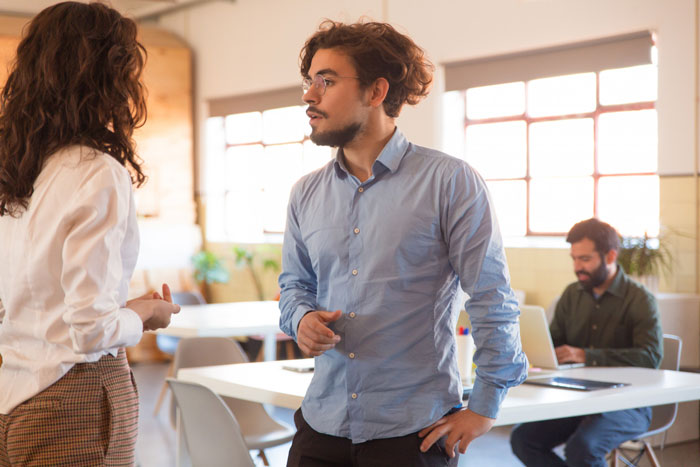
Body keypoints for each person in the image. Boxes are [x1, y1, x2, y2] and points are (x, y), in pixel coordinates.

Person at [278, 20, 528, 466]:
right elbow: (294, 286)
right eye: (309, 81)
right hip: (321, 424)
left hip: (413, 434)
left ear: (376, 92)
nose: (309, 95)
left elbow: (492, 298)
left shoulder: (449, 182)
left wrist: (484, 409)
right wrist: (301, 319)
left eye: (327, 81)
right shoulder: (305, 193)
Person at [0, 3, 180, 465]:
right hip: (76, 401)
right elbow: (91, 329)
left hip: (14, 399)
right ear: (109, 77)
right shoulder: (96, 173)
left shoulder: (17, 170)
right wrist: (144, 313)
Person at [510, 218, 663, 467]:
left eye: (585, 259)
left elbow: (650, 356)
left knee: (583, 448)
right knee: (523, 439)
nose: (577, 267)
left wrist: (586, 355)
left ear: (610, 256)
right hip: (578, 399)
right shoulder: (571, 295)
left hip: (629, 404)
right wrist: (540, 352)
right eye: (574, 258)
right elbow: (553, 343)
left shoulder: (639, 299)